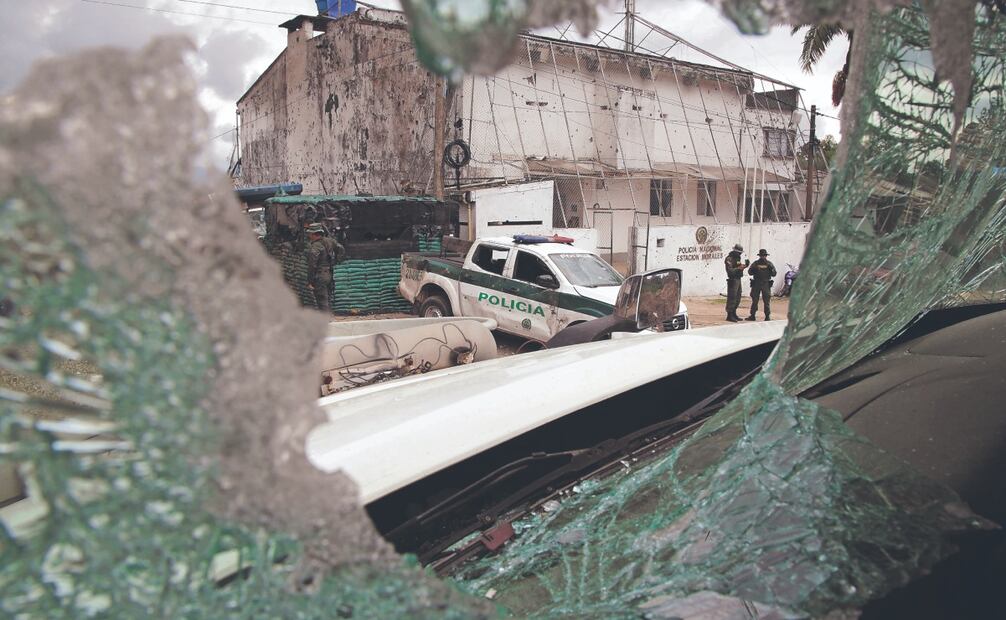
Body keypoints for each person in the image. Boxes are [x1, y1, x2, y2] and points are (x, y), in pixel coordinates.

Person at [306, 222, 345, 313]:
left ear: (314, 234)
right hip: (329, 273)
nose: (309, 236)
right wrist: (337, 260)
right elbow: (341, 248)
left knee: (321, 299)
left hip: (320, 275)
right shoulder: (330, 241)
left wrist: (310, 281)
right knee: (327, 296)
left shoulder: (316, 246)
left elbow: (312, 265)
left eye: (310, 234)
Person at [746, 248, 777, 321]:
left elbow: (774, 274)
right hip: (757, 283)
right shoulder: (755, 263)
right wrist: (754, 269)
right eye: (762, 255)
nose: (763, 257)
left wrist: (771, 269)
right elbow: (750, 272)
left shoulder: (769, 264)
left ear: (766, 256)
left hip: (765, 283)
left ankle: (767, 316)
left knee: (766, 301)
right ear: (759, 256)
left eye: (764, 255)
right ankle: (752, 315)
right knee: (755, 300)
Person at [724, 243, 748, 322]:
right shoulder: (729, 259)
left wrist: (744, 266)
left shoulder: (737, 258)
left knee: (738, 297)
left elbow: (738, 268)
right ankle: (729, 315)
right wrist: (739, 268)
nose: (740, 254)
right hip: (732, 280)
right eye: (739, 252)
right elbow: (730, 271)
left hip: (738, 279)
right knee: (732, 298)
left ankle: (734, 313)